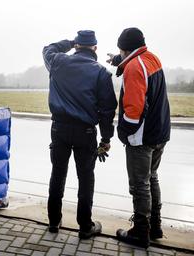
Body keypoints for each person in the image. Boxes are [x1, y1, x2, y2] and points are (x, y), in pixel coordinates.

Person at [43, 30, 117, 239]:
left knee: (58, 174)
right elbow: (107, 110)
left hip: (58, 128)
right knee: (85, 178)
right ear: (95, 48)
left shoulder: (58, 61)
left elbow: (48, 48)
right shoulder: (101, 72)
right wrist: (105, 139)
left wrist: (69, 43)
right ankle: (85, 226)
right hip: (85, 132)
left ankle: (53, 221)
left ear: (76, 46)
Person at [107, 27, 171, 248]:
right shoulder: (151, 58)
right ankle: (155, 226)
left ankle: (140, 232)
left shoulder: (134, 68)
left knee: (139, 185)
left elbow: (133, 109)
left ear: (125, 48)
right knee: (152, 177)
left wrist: (124, 132)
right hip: (160, 132)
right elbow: (134, 61)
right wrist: (118, 60)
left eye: (120, 50)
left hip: (141, 137)